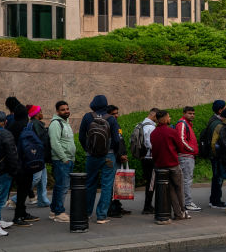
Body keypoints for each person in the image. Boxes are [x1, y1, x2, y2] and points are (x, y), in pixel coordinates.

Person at [79, 94, 126, 224]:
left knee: (90, 184)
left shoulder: (88, 117)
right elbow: (117, 140)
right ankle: (101, 216)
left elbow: (81, 137)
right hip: (108, 156)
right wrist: (114, 152)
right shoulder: (111, 119)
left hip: (91, 156)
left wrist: (88, 149)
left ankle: (87, 213)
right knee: (107, 185)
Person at [149, 110, 190, 222]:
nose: (170, 118)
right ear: (165, 119)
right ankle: (182, 212)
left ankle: (177, 213)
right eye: (169, 117)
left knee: (170, 190)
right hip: (173, 164)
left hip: (160, 166)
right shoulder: (171, 132)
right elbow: (180, 147)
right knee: (179, 189)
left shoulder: (153, 133)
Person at [3, 97, 37, 227]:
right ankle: (19, 215)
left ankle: (22, 212)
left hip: (14, 162)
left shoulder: (11, 125)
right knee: (23, 189)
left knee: (22, 188)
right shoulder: (25, 126)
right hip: (24, 162)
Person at [48, 101, 75, 222]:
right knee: (62, 187)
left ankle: (54, 211)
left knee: (60, 186)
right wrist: (64, 159)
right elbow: (55, 143)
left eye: (67, 109)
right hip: (61, 161)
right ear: (57, 112)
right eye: (63, 110)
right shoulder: (55, 124)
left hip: (67, 160)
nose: (66, 111)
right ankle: (59, 212)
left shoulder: (65, 123)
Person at [176, 106, 200, 212]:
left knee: (186, 180)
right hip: (185, 156)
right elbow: (181, 140)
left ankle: (186, 202)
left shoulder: (186, 124)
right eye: (190, 113)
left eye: (193, 113)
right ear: (184, 113)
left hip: (187, 156)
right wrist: (192, 150)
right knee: (186, 180)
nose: (192, 115)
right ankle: (187, 203)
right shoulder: (182, 123)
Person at [205, 100, 226, 210]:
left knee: (216, 177)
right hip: (216, 156)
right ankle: (216, 201)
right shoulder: (217, 124)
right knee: (218, 177)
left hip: (213, 155)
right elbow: (217, 142)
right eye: (225, 107)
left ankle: (214, 200)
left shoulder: (212, 120)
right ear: (220, 110)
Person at [27, 106, 51, 207]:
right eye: (40, 111)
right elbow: (41, 140)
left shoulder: (33, 123)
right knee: (36, 178)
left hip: (39, 155)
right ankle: (16, 198)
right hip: (38, 155)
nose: (42, 113)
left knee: (43, 179)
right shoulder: (35, 124)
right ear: (36, 114)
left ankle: (43, 200)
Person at [136, 108, 158, 214]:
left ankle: (148, 205)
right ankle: (147, 206)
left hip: (144, 157)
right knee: (151, 183)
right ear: (154, 116)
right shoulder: (151, 127)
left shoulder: (141, 124)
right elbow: (150, 144)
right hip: (150, 158)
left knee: (149, 182)